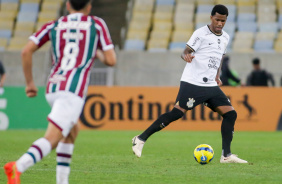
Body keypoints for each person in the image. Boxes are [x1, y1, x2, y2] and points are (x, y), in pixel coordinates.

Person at [4, 0, 116, 183]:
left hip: (54, 86)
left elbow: (26, 51)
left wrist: (30, 83)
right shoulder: (96, 24)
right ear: (89, 7)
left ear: (68, 5)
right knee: (52, 138)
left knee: (72, 130)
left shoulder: (55, 25)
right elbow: (111, 60)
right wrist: (96, 52)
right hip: (72, 90)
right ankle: (18, 166)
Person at [132, 4, 248, 164]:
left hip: (211, 86)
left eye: (223, 21)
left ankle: (226, 155)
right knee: (177, 113)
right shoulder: (200, 34)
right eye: (217, 20)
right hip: (193, 82)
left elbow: (219, 57)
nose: (220, 23)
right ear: (211, 17)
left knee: (230, 114)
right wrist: (185, 56)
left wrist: (217, 75)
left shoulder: (226, 37)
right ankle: (140, 139)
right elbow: (185, 51)